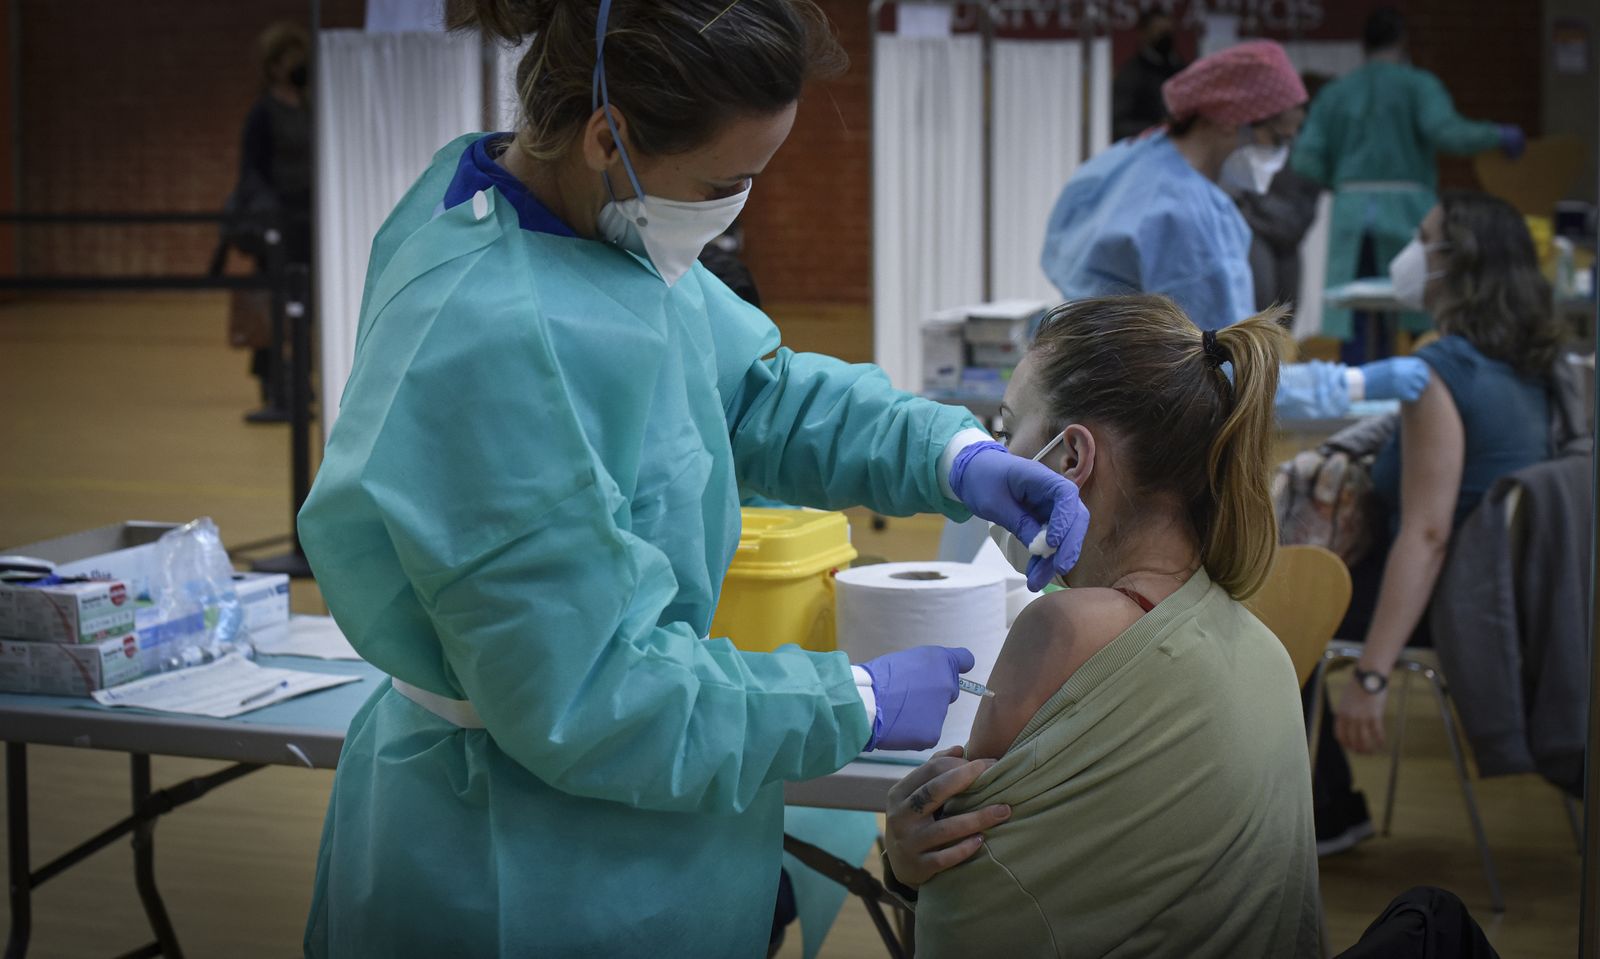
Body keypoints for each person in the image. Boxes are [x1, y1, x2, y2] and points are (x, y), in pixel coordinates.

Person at [294, 1, 1089, 955]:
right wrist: (852, 702)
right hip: (518, 855)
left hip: (633, 818)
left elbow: (755, 393)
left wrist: (951, 455)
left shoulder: (583, 229)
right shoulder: (496, 335)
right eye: (726, 181)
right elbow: (588, 692)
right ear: (607, 135)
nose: (735, 206)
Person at [883, 297, 1320, 958]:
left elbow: (953, 885)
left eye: (1010, 429)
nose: (1002, 455)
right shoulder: (1263, 648)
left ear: (1072, 457)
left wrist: (901, 857)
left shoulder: (1059, 629)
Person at [1316, 191, 1563, 853]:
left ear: (1458, 264)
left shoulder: (1438, 372)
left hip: (1445, 598)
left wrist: (1372, 675)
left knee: (1275, 609)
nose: (1408, 256)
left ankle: (1327, 812)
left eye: (1422, 240)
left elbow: (1426, 535)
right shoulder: (1533, 365)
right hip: (1504, 598)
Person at [1041, 39, 1429, 420]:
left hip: (1080, 381)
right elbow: (1229, 373)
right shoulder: (1190, 217)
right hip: (1141, 414)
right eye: (1277, 139)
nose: (1280, 157)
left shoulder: (1128, 160)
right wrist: (1355, 383)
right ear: (1227, 121)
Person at [1291, 7, 1525, 362]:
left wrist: (1344, 182)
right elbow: (1447, 132)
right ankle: (1434, 392)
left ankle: (1361, 393)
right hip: (1410, 215)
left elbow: (1305, 158)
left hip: (1352, 217)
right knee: (1426, 309)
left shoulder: (1337, 93)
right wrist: (1496, 134)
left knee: (1358, 315)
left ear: (1363, 45)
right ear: (1402, 41)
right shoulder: (1418, 85)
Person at [228, 21, 312, 423]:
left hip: (310, 218)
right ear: (275, 65)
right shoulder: (263, 112)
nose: (301, 65)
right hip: (278, 221)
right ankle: (271, 385)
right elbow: (251, 170)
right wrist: (269, 214)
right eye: (293, 59)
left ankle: (302, 381)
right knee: (272, 307)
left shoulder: (310, 105)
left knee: (305, 306)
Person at [1225, 72, 1330, 312]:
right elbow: (1234, 195)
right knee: (1261, 305)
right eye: (1297, 107)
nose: (1302, 115)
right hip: (1254, 232)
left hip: (1290, 238)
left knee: (1286, 313)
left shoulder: (1303, 150)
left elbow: (1309, 199)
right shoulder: (1238, 145)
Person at [1112, 9, 1186, 142]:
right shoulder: (1131, 74)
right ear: (1144, 34)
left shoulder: (1181, 69)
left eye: (1168, 32)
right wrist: (1160, 127)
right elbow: (1119, 125)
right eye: (1158, 31)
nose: (1165, 37)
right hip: (1145, 149)